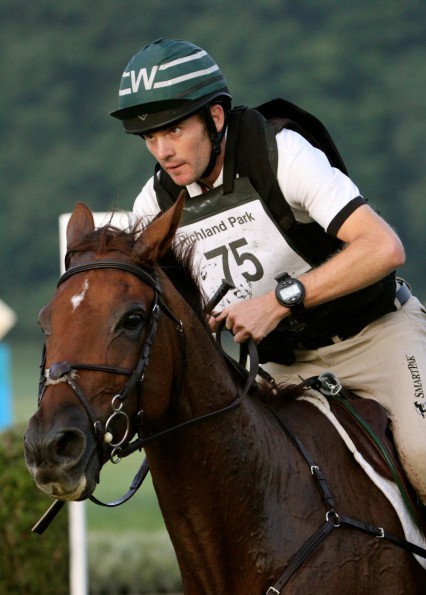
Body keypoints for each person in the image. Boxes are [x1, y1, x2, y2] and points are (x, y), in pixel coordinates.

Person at [111, 38, 426, 504]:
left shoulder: (280, 152)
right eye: (150, 138)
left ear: (214, 118)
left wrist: (280, 301)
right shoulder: (154, 204)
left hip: (374, 336)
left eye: (174, 130)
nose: (162, 151)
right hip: (280, 368)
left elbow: (383, 247)